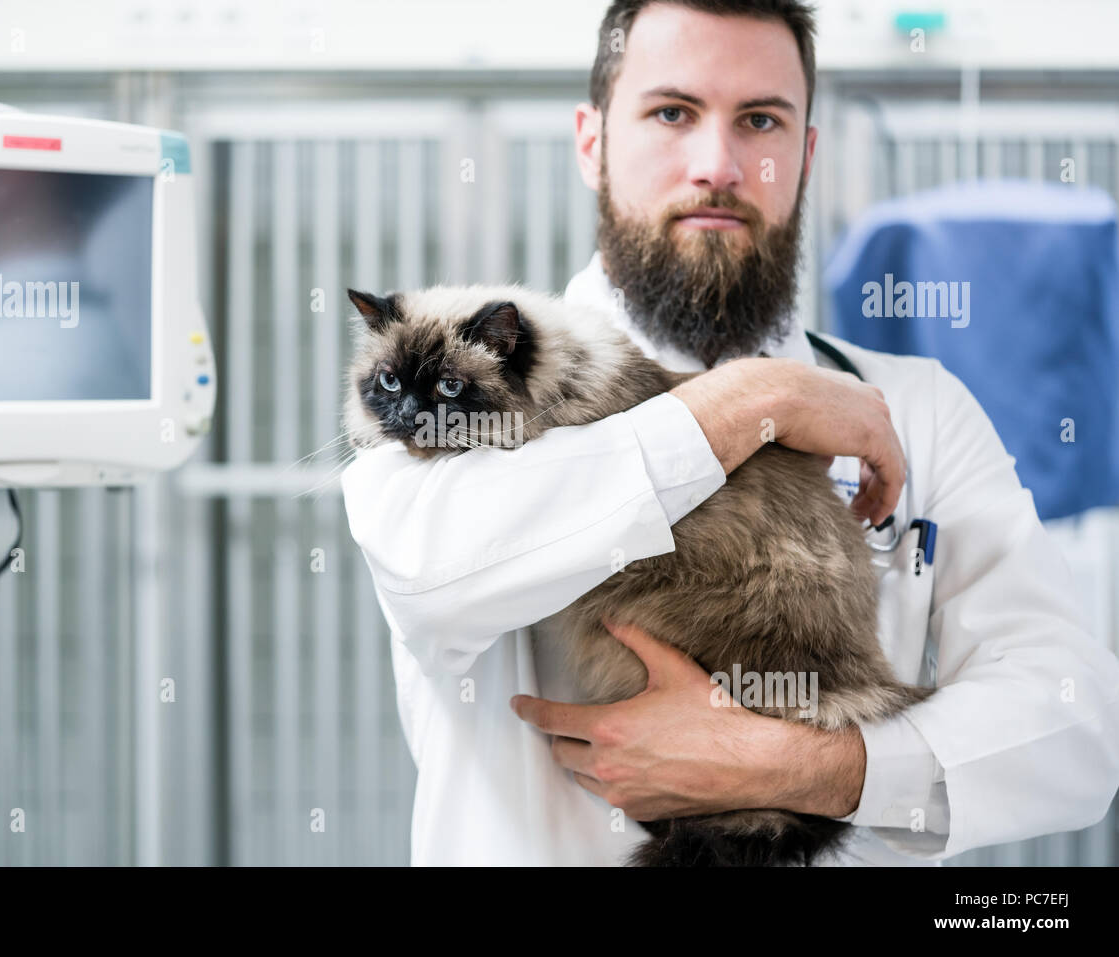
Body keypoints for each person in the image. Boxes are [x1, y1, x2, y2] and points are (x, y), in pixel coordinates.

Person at [340, 0, 1119, 865]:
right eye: (672, 113)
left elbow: (1077, 727)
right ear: (592, 140)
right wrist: (753, 401)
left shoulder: (919, 407)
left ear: (807, 154)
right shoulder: (431, 408)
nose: (718, 165)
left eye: (760, 120)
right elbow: (434, 569)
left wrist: (811, 769)